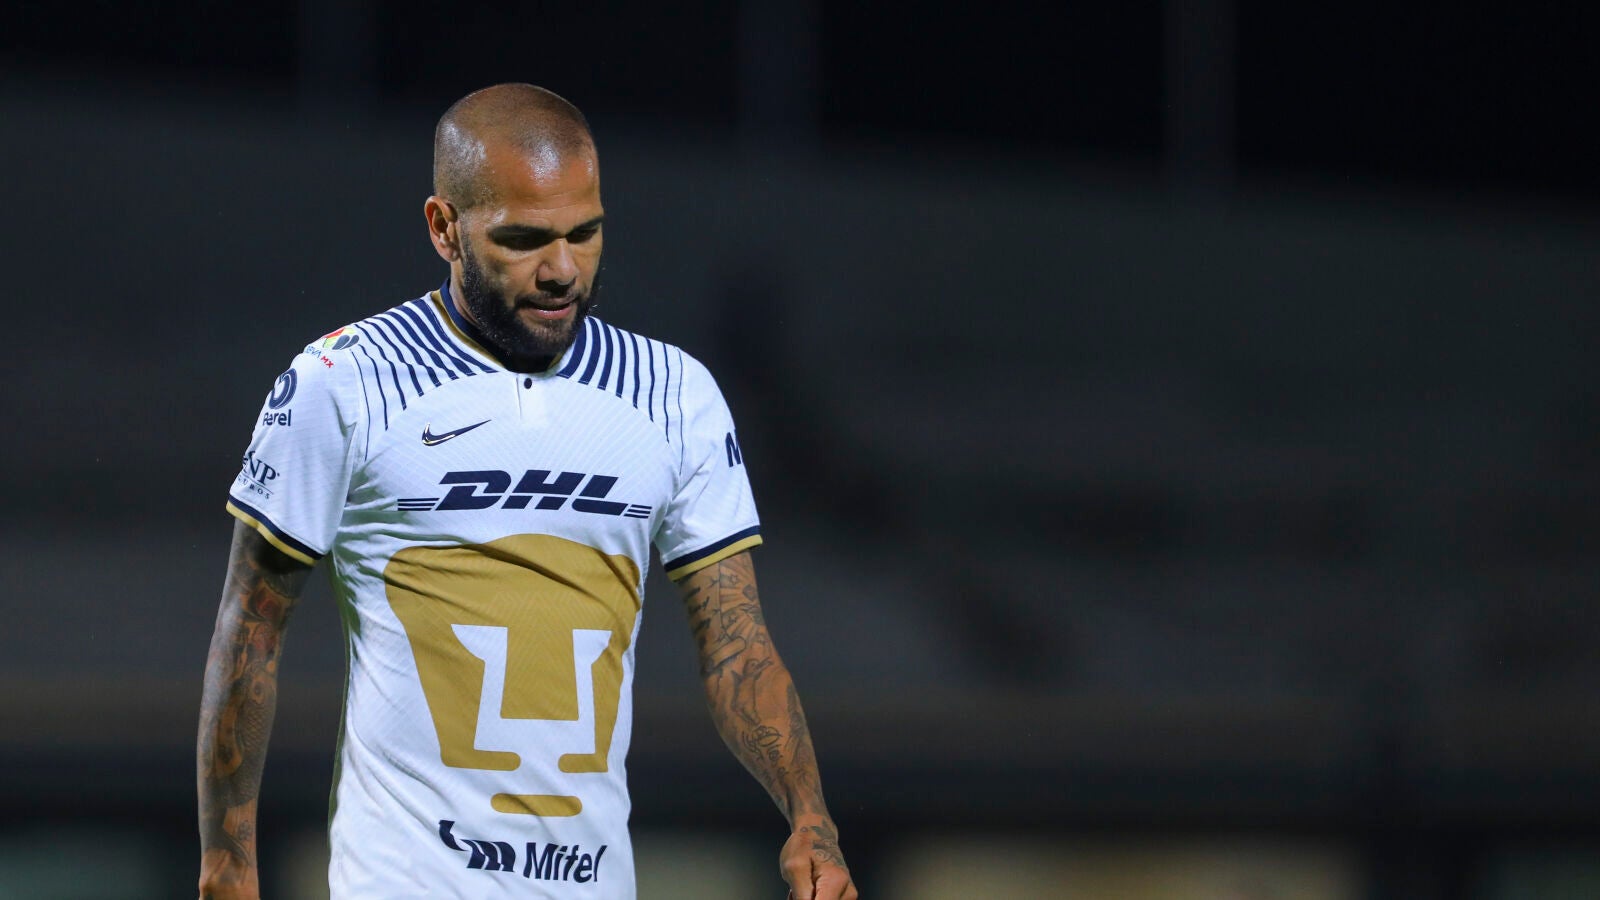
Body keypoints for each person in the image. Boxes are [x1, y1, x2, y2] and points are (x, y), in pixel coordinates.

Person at [197, 83, 855, 900]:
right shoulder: (344, 383)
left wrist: (809, 815)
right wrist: (227, 864)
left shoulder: (674, 395)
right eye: (524, 239)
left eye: (586, 233)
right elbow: (250, 628)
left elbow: (735, 642)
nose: (562, 270)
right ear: (443, 227)